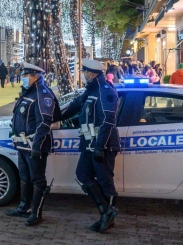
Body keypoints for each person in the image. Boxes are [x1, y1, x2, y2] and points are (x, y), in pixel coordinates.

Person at [56, 59, 120, 233]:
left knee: (106, 181)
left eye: (84, 72)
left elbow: (108, 120)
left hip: (102, 144)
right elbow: (74, 107)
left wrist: (100, 146)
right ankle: (106, 212)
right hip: (89, 142)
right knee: (82, 174)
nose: (83, 75)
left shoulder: (105, 90)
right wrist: (53, 117)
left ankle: (107, 217)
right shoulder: (90, 90)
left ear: (91, 74)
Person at [6, 63, 61, 227]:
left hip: (34, 145)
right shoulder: (28, 92)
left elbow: (44, 123)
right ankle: (23, 207)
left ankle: (36, 213)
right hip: (23, 145)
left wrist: (36, 146)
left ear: (36, 76)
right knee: (25, 177)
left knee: (38, 179)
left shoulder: (42, 93)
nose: (23, 78)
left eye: (26, 75)